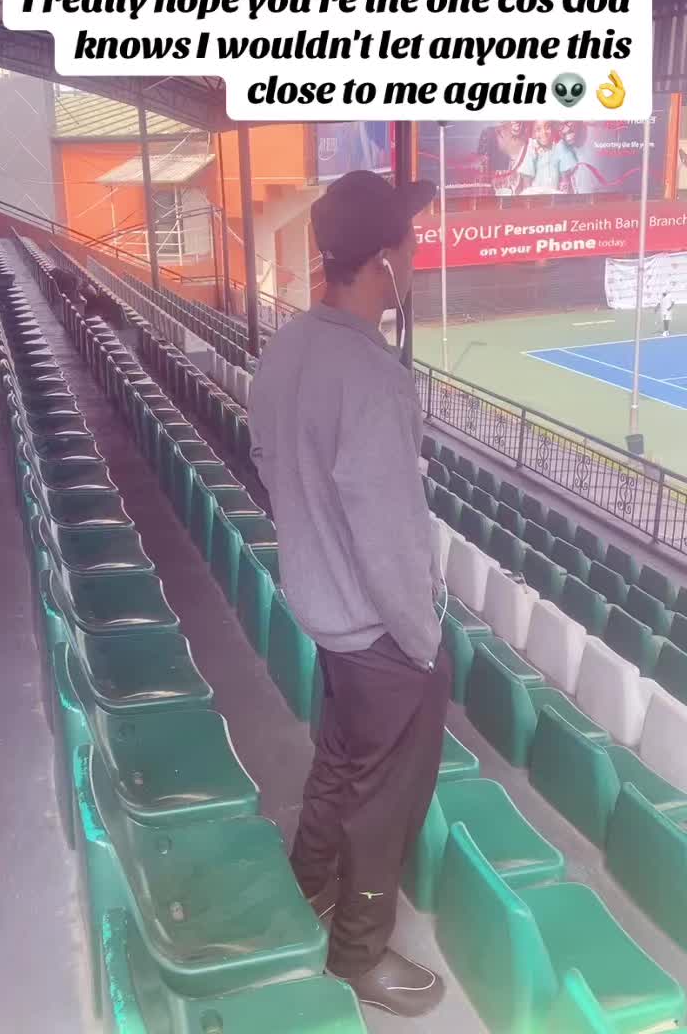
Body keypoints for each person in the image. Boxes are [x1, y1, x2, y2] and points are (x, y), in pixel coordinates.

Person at [248, 170, 452, 1018]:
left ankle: (308, 884)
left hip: (327, 615)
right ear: (381, 263)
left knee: (341, 760)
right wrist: (423, 644)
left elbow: (269, 467)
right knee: (386, 799)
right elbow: (390, 535)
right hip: (380, 634)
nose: (418, 251)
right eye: (410, 240)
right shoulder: (371, 377)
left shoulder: (287, 349)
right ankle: (359, 953)